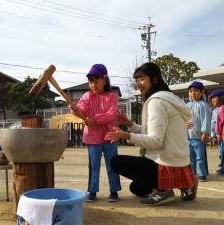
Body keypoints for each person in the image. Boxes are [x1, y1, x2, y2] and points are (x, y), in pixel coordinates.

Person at [107, 62, 197, 206]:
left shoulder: (157, 102)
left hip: (165, 162)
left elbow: (155, 141)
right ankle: (185, 185)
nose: (138, 83)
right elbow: (154, 132)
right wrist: (130, 124)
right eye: (136, 80)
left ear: (154, 80)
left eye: (142, 79)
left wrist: (126, 135)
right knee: (136, 188)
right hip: (179, 162)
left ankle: (163, 190)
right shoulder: (169, 98)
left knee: (115, 162)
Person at [70, 64, 121, 202]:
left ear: (105, 80)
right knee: (94, 165)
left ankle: (114, 191)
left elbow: (111, 114)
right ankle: (92, 191)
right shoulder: (87, 96)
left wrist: (95, 120)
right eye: (91, 81)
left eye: (96, 81)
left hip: (110, 135)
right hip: (92, 137)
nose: (93, 85)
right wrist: (74, 109)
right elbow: (82, 111)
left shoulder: (111, 96)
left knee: (112, 164)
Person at [186, 81, 211, 182]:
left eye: (196, 91)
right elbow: (182, 118)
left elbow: (205, 119)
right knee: (190, 157)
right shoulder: (187, 105)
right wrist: (184, 124)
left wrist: (205, 133)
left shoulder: (203, 105)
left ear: (202, 92)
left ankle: (202, 174)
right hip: (188, 136)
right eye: (191, 91)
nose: (193, 93)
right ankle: (192, 173)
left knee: (200, 157)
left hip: (199, 137)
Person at [215, 91, 224, 175]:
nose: (213, 100)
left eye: (215, 97)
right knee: (222, 152)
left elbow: (219, 123)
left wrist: (218, 133)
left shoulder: (221, 109)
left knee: (222, 153)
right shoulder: (220, 109)